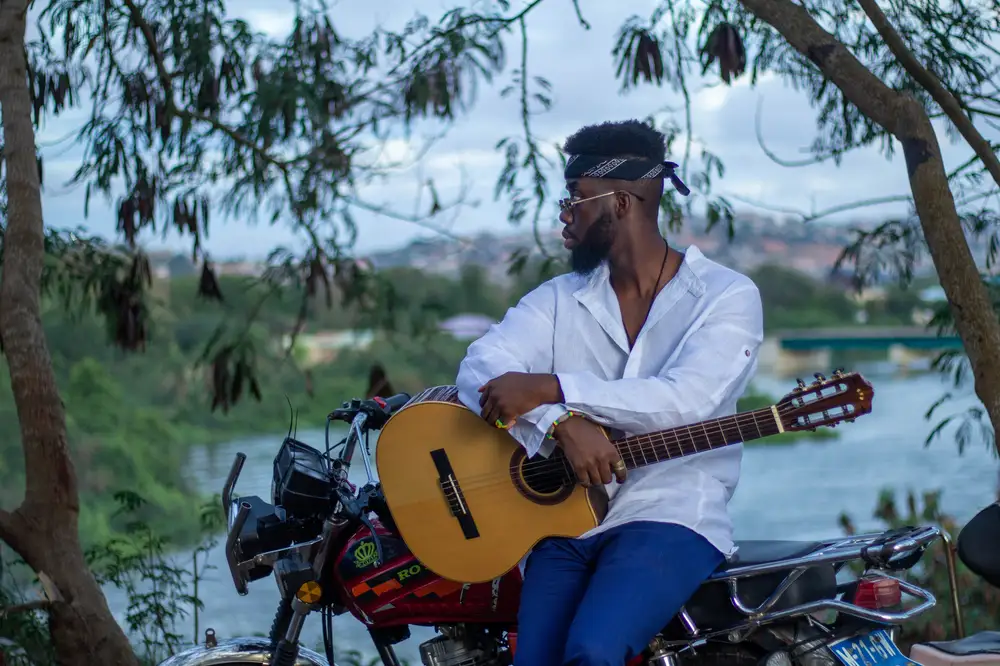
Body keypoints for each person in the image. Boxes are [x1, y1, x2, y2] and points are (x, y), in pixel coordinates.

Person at [454, 119, 765, 666]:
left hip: (672, 510)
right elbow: (481, 367)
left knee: (592, 652)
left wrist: (553, 387)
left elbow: (685, 401)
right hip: (564, 516)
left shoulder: (725, 296)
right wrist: (558, 424)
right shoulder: (557, 299)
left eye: (574, 199)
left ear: (621, 202)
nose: (563, 214)